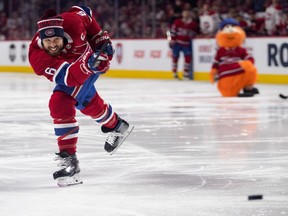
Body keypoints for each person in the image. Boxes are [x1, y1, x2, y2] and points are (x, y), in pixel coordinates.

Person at [28, 6, 134, 187]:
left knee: (61, 101)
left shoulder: (73, 22)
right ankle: (117, 125)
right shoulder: (37, 57)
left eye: (56, 39)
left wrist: (99, 38)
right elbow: (70, 78)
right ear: (41, 41)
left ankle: (71, 163)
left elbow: (84, 11)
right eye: (48, 42)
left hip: (92, 59)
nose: (52, 45)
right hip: (79, 69)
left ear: (62, 35)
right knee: (85, 101)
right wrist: (88, 65)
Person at [169, 9, 198, 80]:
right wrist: (172, 40)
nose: (186, 14)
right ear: (182, 14)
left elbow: (194, 32)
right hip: (177, 43)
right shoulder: (177, 22)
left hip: (186, 43)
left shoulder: (192, 23)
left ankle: (186, 73)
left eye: (187, 13)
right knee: (175, 57)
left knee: (187, 57)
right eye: (184, 13)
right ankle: (174, 73)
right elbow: (173, 31)